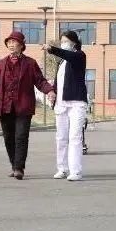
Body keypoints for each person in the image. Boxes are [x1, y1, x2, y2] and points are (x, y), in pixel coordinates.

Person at [0, 31, 55, 180]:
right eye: (9, 42)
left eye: (14, 42)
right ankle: (14, 165)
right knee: (8, 138)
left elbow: (40, 81)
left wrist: (50, 91)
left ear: (21, 45)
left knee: (21, 136)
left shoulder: (30, 63)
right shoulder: (1, 64)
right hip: (5, 106)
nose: (11, 45)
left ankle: (19, 168)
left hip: (23, 107)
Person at [43, 31, 88, 182]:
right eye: (61, 41)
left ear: (74, 42)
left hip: (76, 103)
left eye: (66, 41)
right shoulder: (61, 62)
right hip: (61, 103)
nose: (63, 44)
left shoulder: (79, 56)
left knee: (74, 137)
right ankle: (62, 168)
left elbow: (69, 55)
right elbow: (58, 82)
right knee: (61, 137)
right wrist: (53, 93)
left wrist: (52, 49)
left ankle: (75, 171)